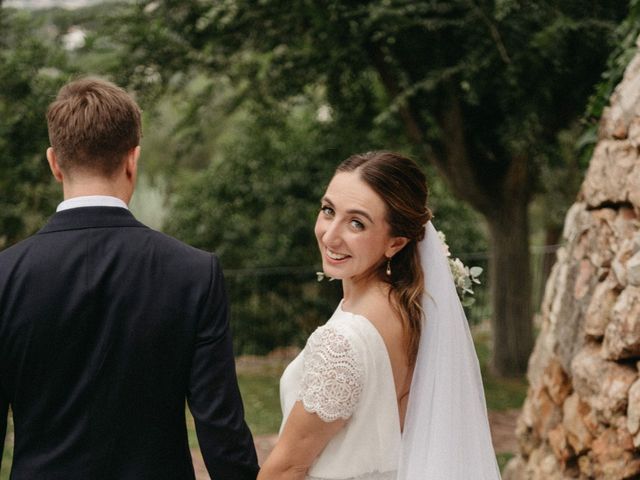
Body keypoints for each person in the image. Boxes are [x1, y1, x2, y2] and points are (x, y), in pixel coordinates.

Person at [0, 77, 259, 480]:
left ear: (54, 162)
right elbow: (221, 431)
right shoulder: (194, 272)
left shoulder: (6, 275)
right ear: (132, 159)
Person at [259, 151, 501, 479]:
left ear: (395, 243)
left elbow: (287, 467)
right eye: (328, 210)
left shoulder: (343, 342)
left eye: (356, 223)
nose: (330, 235)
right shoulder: (411, 311)